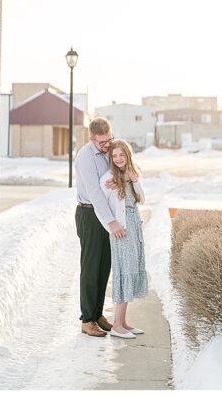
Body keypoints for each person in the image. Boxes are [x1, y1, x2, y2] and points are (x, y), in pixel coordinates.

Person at [74, 117, 122, 337]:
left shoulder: (112, 148)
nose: (106, 146)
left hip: (106, 212)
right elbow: (94, 192)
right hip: (90, 213)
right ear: (92, 139)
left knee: (104, 266)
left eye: (108, 140)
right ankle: (87, 319)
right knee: (91, 267)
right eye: (101, 143)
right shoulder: (85, 156)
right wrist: (110, 221)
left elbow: (128, 165)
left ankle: (98, 313)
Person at [99, 140, 148, 339]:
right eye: (114, 156)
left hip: (134, 225)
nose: (118, 159)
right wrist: (112, 226)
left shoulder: (131, 174)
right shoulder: (108, 178)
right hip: (121, 229)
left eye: (122, 155)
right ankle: (117, 324)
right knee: (124, 271)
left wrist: (133, 179)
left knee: (132, 268)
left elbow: (142, 199)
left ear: (128, 155)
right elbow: (100, 206)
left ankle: (124, 322)